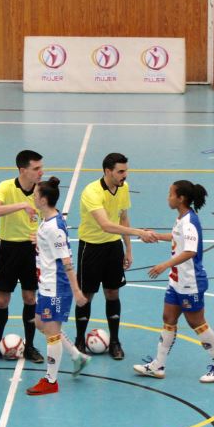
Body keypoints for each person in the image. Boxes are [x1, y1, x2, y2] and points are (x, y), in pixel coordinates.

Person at [133, 181, 214, 383]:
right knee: (168, 317)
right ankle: (158, 365)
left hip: (190, 282)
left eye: (171, 194)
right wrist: (156, 236)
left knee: (197, 323)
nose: (168, 197)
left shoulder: (189, 222)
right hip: (177, 281)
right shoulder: (181, 219)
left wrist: (164, 265)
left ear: (181, 198)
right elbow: (178, 238)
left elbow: (190, 251)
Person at [74, 152, 157, 360]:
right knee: (86, 296)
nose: (125, 175)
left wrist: (128, 248)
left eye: (126, 170)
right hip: (91, 248)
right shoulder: (91, 192)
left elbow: (123, 218)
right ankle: (79, 339)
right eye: (121, 171)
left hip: (113, 248)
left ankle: (115, 341)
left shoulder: (123, 188)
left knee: (113, 293)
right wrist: (140, 233)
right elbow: (106, 225)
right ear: (107, 171)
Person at [0, 150, 45, 364]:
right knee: (2, 300)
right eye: (36, 168)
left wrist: (41, 233)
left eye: (41, 168)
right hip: (7, 248)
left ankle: (31, 347)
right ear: (23, 170)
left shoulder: (42, 191)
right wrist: (23, 205)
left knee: (30, 298)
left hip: (30, 250)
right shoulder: (6, 186)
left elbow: (49, 216)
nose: (40, 172)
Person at [26, 177, 91, 395]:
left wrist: (76, 291)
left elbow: (66, 262)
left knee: (51, 332)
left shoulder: (54, 228)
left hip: (56, 287)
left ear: (44, 200)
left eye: (36, 195)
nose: (33, 197)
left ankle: (51, 381)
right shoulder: (47, 220)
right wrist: (39, 241)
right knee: (40, 323)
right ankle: (76, 356)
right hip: (45, 283)